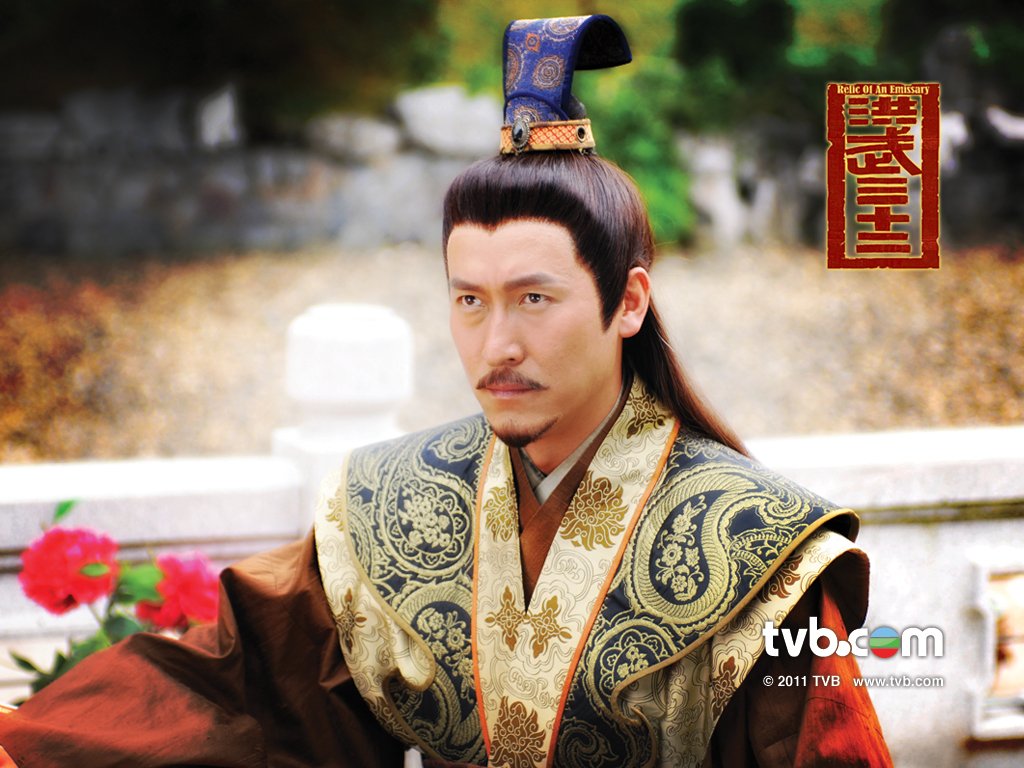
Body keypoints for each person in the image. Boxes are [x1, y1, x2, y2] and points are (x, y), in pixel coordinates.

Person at [0, 14, 892, 768]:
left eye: (535, 299)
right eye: (470, 300)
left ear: (628, 302)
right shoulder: (397, 503)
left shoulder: (754, 550)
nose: (496, 346)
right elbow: (234, 688)